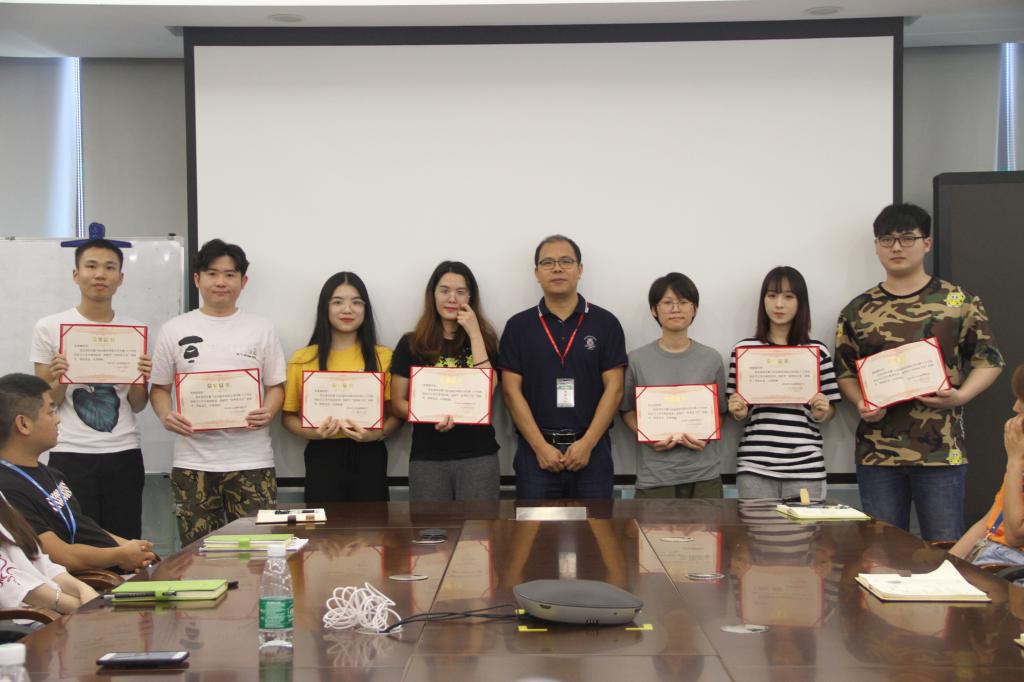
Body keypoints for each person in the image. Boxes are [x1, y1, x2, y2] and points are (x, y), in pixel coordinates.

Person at [835, 203, 1004, 541]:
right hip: (877, 454)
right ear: (876, 246)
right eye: (887, 239)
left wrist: (961, 396)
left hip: (941, 452)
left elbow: (990, 361)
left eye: (907, 238)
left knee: (943, 549)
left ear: (927, 243)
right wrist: (860, 403)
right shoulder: (858, 310)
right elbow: (845, 372)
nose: (896, 247)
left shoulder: (958, 301)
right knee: (881, 552)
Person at [150, 239, 286, 545]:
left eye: (229, 274)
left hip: (251, 461)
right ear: (197, 279)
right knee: (197, 554)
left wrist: (269, 411)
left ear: (243, 281)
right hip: (193, 463)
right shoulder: (174, 329)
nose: (221, 282)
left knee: (258, 552)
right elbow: (159, 388)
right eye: (212, 273)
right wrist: (166, 415)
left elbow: (276, 386)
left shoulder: (261, 328)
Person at [30, 238, 150, 540]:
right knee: (75, 539)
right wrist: (60, 378)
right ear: (76, 274)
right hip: (69, 452)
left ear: (120, 278)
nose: (100, 274)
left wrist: (140, 378)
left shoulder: (134, 330)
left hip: (123, 450)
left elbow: (137, 405)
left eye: (109, 267)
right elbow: (46, 402)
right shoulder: (49, 327)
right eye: (91, 266)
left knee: (124, 540)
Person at [499, 235, 626, 499]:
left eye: (566, 261)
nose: (557, 268)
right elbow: (511, 392)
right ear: (536, 273)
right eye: (548, 263)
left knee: (596, 525)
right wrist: (540, 447)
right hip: (536, 453)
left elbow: (614, 389)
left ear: (580, 269)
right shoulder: (518, 327)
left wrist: (587, 443)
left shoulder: (606, 323)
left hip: (592, 452)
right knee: (535, 527)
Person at [0, 373, 156, 573]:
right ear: (24, 424)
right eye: (51, 412)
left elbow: (82, 526)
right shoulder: (7, 490)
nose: (58, 420)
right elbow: (62, 557)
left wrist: (134, 547)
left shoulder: (51, 474)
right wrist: (120, 555)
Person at [281, 272, 399, 502]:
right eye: (337, 302)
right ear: (324, 308)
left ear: (365, 309)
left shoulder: (384, 357)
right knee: (324, 524)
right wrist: (313, 433)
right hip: (322, 455)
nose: (347, 309)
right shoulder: (303, 358)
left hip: (370, 454)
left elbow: (396, 415)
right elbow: (288, 417)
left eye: (356, 302)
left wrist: (376, 435)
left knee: (372, 524)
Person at [726, 266, 841, 501]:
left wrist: (823, 411)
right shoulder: (744, 351)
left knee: (806, 527)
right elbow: (736, 410)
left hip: (806, 466)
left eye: (789, 297)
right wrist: (738, 411)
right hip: (755, 465)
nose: (779, 304)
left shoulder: (817, 351)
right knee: (755, 527)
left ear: (801, 302)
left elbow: (831, 412)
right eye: (772, 295)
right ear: (763, 301)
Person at [390, 261, 501, 501]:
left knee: (480, 524)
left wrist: (474, 333)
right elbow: (397, 403)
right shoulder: (411, 343)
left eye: (460, 292)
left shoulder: (486, 340)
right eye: (444, 290)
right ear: (432, 295)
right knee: (431, 524)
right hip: (428, 457)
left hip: (478, 455)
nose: (452, 298)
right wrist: (430, 414)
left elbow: (489, 391)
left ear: (470, 297)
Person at [620, 273, 727, 498]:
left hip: (704, 475)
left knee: (709, 523)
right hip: (655, 476)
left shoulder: (711, 358)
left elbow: (721, 412)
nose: (676, 309)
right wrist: (647, 435)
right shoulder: (637, 359)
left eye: (683, 302)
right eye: (667, 302)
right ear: (654, 310)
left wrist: (706, 436)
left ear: (694, 309)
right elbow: (626, 410)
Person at [950, 364, 1024, 566]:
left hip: (1013, 567)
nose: (1015, 407)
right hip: (990, 553)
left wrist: (1014, 462)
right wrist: (945, 568)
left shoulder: (1017, 460)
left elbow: (1015, 535)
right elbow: (990, 520)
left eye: (1022, 400)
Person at [0, 490, 98, 613]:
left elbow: (42, 564)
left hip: (51, 606)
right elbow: (18, 589)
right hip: (24, 616)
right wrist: (86, 607)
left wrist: (84, 589)